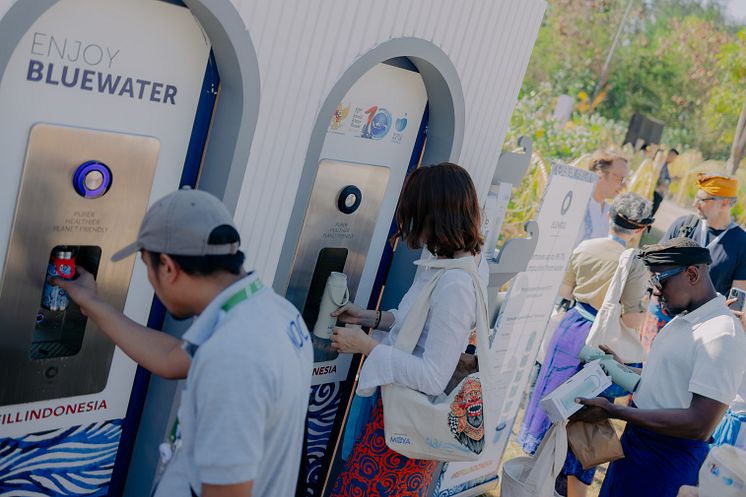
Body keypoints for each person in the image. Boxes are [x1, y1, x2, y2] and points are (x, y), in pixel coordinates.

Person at [55, 188, 313, 497]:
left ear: (168, 267)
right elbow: (170, 357)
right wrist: (92, 303)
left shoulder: (233, 356)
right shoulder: (272, 311)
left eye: (147, 268)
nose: (151, 282)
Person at [326, 163, 488, 496]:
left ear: (435, 213)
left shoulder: (455, 283)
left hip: (405, 434)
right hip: (396, 419)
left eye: (416, 211)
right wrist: (366, 318)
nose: (410, 220)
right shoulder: (444, 266)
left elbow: (432, 376)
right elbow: (411, 323)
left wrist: (367, 347)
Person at [576, 237, 746, 497]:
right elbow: (668, 382)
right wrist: (620, 369)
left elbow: (699, 423)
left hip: (667, 462)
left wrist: (615, 412)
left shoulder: (721, 334)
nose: (655, 291)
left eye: (660, 281)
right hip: (637, 446)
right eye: (651, 283)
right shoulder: (684, 317)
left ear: (691, 274)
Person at [519, 192, 654, 497]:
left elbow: (566, 290)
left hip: (570, 329)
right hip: (602, 341)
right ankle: (570, 487)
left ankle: (537, 476)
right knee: (588, 418)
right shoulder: (635, 263)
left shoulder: (585, 247)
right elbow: (632, 321)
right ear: (640, 229)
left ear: (611, 218)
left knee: (553, 403)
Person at [640, 173, 746, 353]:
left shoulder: (741, 243)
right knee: (647, 366)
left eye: (702, 200)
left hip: (702, 327)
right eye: (696, 198)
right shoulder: (684, 225)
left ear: (725, 203)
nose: (695, 204)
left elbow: (737, 297)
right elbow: (654, 265)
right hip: (662, 313)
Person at [577, 153, 630, 244]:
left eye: (625, 180)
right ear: (600, 173)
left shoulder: (611, 212)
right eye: (620, 178)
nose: (623, 185)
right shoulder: (577, 204)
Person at [652, 148, 679, 215]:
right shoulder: (662, 164)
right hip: (656, 192)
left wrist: (672, 178)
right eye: (673, 157)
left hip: (658, 193)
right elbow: (661, 180)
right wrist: (666, 183)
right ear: (669, 154)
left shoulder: (665, 165)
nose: (673, 160)